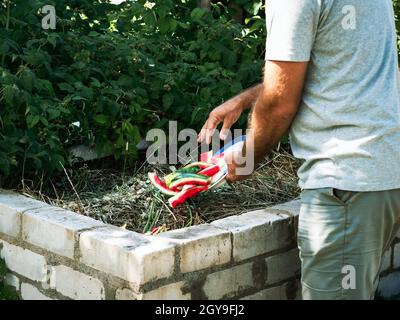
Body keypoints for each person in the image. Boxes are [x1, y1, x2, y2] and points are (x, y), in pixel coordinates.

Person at [198, 0, 400, 300]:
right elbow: (332, 69)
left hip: (345, 181)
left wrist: (247, 158)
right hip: (377, 171)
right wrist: (246, 99)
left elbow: (280, 103)